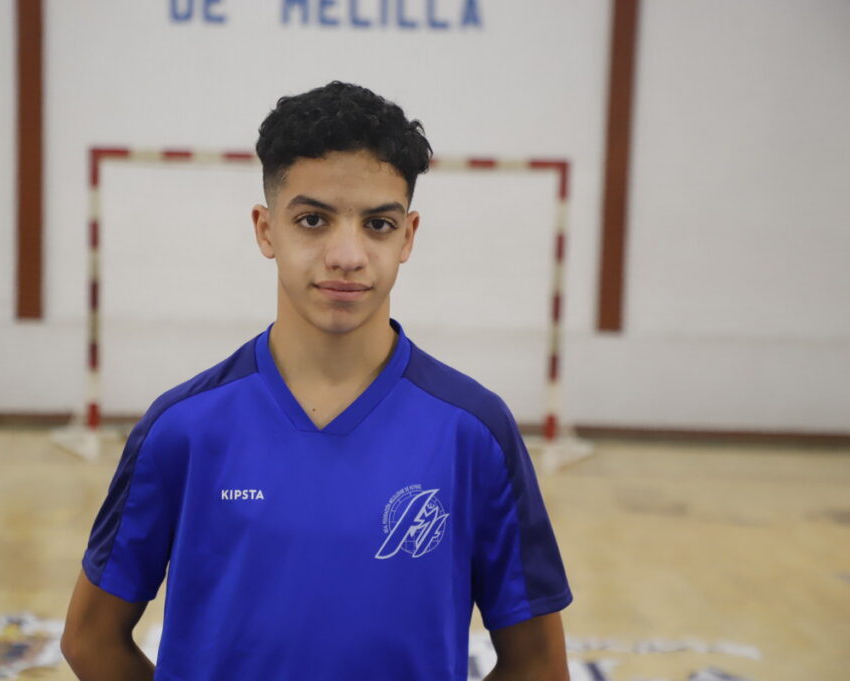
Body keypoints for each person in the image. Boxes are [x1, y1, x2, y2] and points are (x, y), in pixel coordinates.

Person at [61, 81, 572, 681]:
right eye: (313, 220)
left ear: (408, 236)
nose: (347, 254)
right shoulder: (183, 430)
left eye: (377, 224)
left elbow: (538, 664)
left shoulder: (475, 432)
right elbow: (90, 640)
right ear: (266, 229)